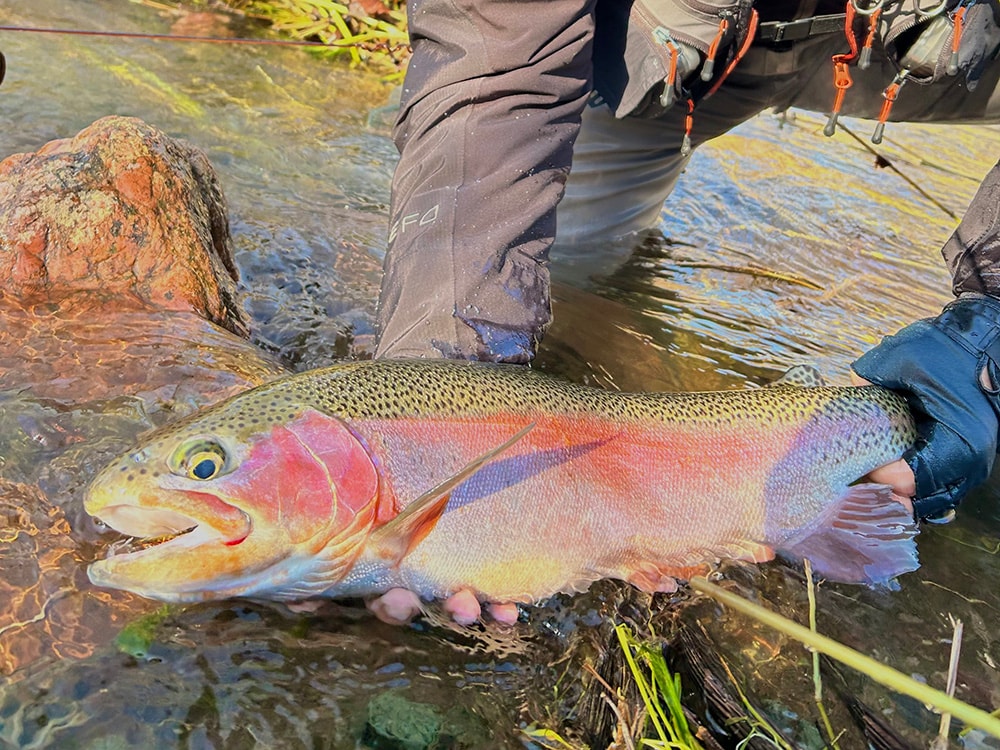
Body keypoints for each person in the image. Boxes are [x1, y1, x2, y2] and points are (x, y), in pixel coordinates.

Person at [373, 0, 1000, 536]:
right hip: (669, 54)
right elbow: (496, 59)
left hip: (946, 56)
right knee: (535, 281)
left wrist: (988, 328)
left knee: (982, 386)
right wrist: (443, 386)